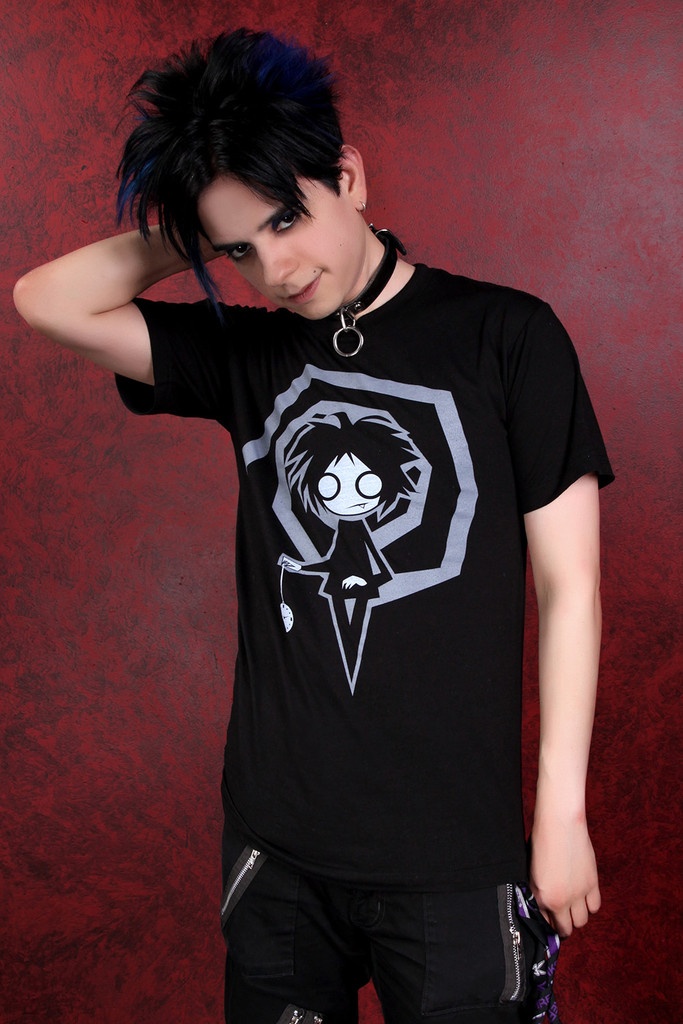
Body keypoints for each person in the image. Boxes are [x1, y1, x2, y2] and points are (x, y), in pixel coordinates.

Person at [13, 27, 614, 1024]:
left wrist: (559, 814)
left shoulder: (507, 336)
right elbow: (45, 300)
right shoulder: (247, 355)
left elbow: (570, 586)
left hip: (452, 853)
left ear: (350, 176)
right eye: (240, 250)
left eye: (288, 217)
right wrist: (196, 218)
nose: (276, 268)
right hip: (277, 851)